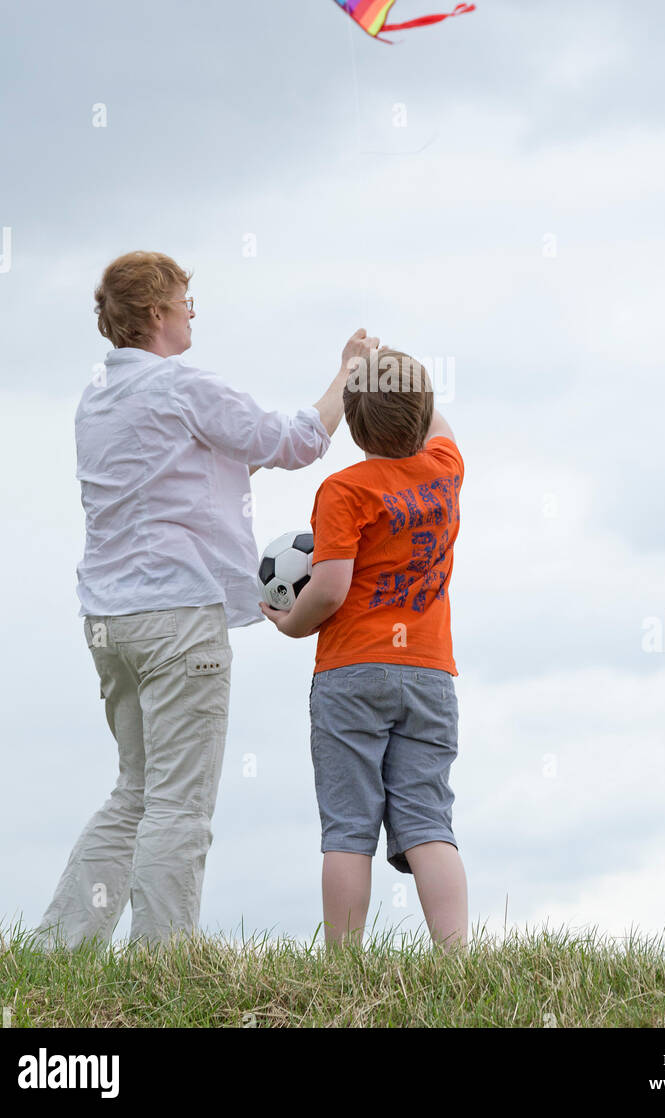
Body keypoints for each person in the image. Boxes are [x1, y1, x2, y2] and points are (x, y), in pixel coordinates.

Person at [35, 250, 378, 947]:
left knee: (134, 790)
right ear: (158, 312)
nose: (193, 313)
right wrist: (348, 374)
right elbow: (293, 441)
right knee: (178, 803)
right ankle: (163, 963)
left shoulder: (98, 396)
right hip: (177, 617)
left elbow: (194, 463)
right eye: (186, 301)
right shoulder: (180, 386)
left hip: (109, 620)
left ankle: (61, 945)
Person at [260, 347, 467, 951]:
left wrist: (290, 625)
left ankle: (344, 965)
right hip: (428, 673)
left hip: (352, 671)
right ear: (424, 409)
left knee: (349, 828)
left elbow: (327, 589)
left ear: (352, 426)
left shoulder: (343, 489)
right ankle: (456, 959)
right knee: (428, 820)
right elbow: (438, 424)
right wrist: (395, 377)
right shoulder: (447, 468)